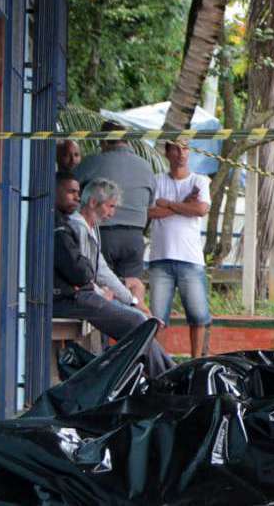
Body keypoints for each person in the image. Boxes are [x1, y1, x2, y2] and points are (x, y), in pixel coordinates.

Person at [53, 173, 173, 377]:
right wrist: (101, 293)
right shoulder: (75, 227)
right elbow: (84, 274)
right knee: (137, 323)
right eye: (110, 206)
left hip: (88, 294)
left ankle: (168, 371)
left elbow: (101, 270)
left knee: (140, 321)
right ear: (93, 202)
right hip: (74, 297)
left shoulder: (91, 229)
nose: (112, 212)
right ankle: (166, 375)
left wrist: (132, 301)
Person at [73, 121, 153, 307]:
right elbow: (149, 204)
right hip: (134, 237)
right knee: (133, 286)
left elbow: (70, 186)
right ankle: (138, 324)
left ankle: (105, 333)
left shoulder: (93, 162)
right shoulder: (146, 167)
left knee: (104, 289)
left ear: (104, 141)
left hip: (104, 233)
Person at [147, 138, 213, 358]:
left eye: (185, 148)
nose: (181, 153)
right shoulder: (156, 180)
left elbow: (201, 209)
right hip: (160, 258)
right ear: (167, 152)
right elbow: (150, 212)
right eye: (176, 148)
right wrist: (185, 205)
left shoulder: (200, 181)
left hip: (191, 258)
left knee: (198, 316)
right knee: (157, 318)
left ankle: (197, 362)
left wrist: (170, 204)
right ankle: (159, 363)